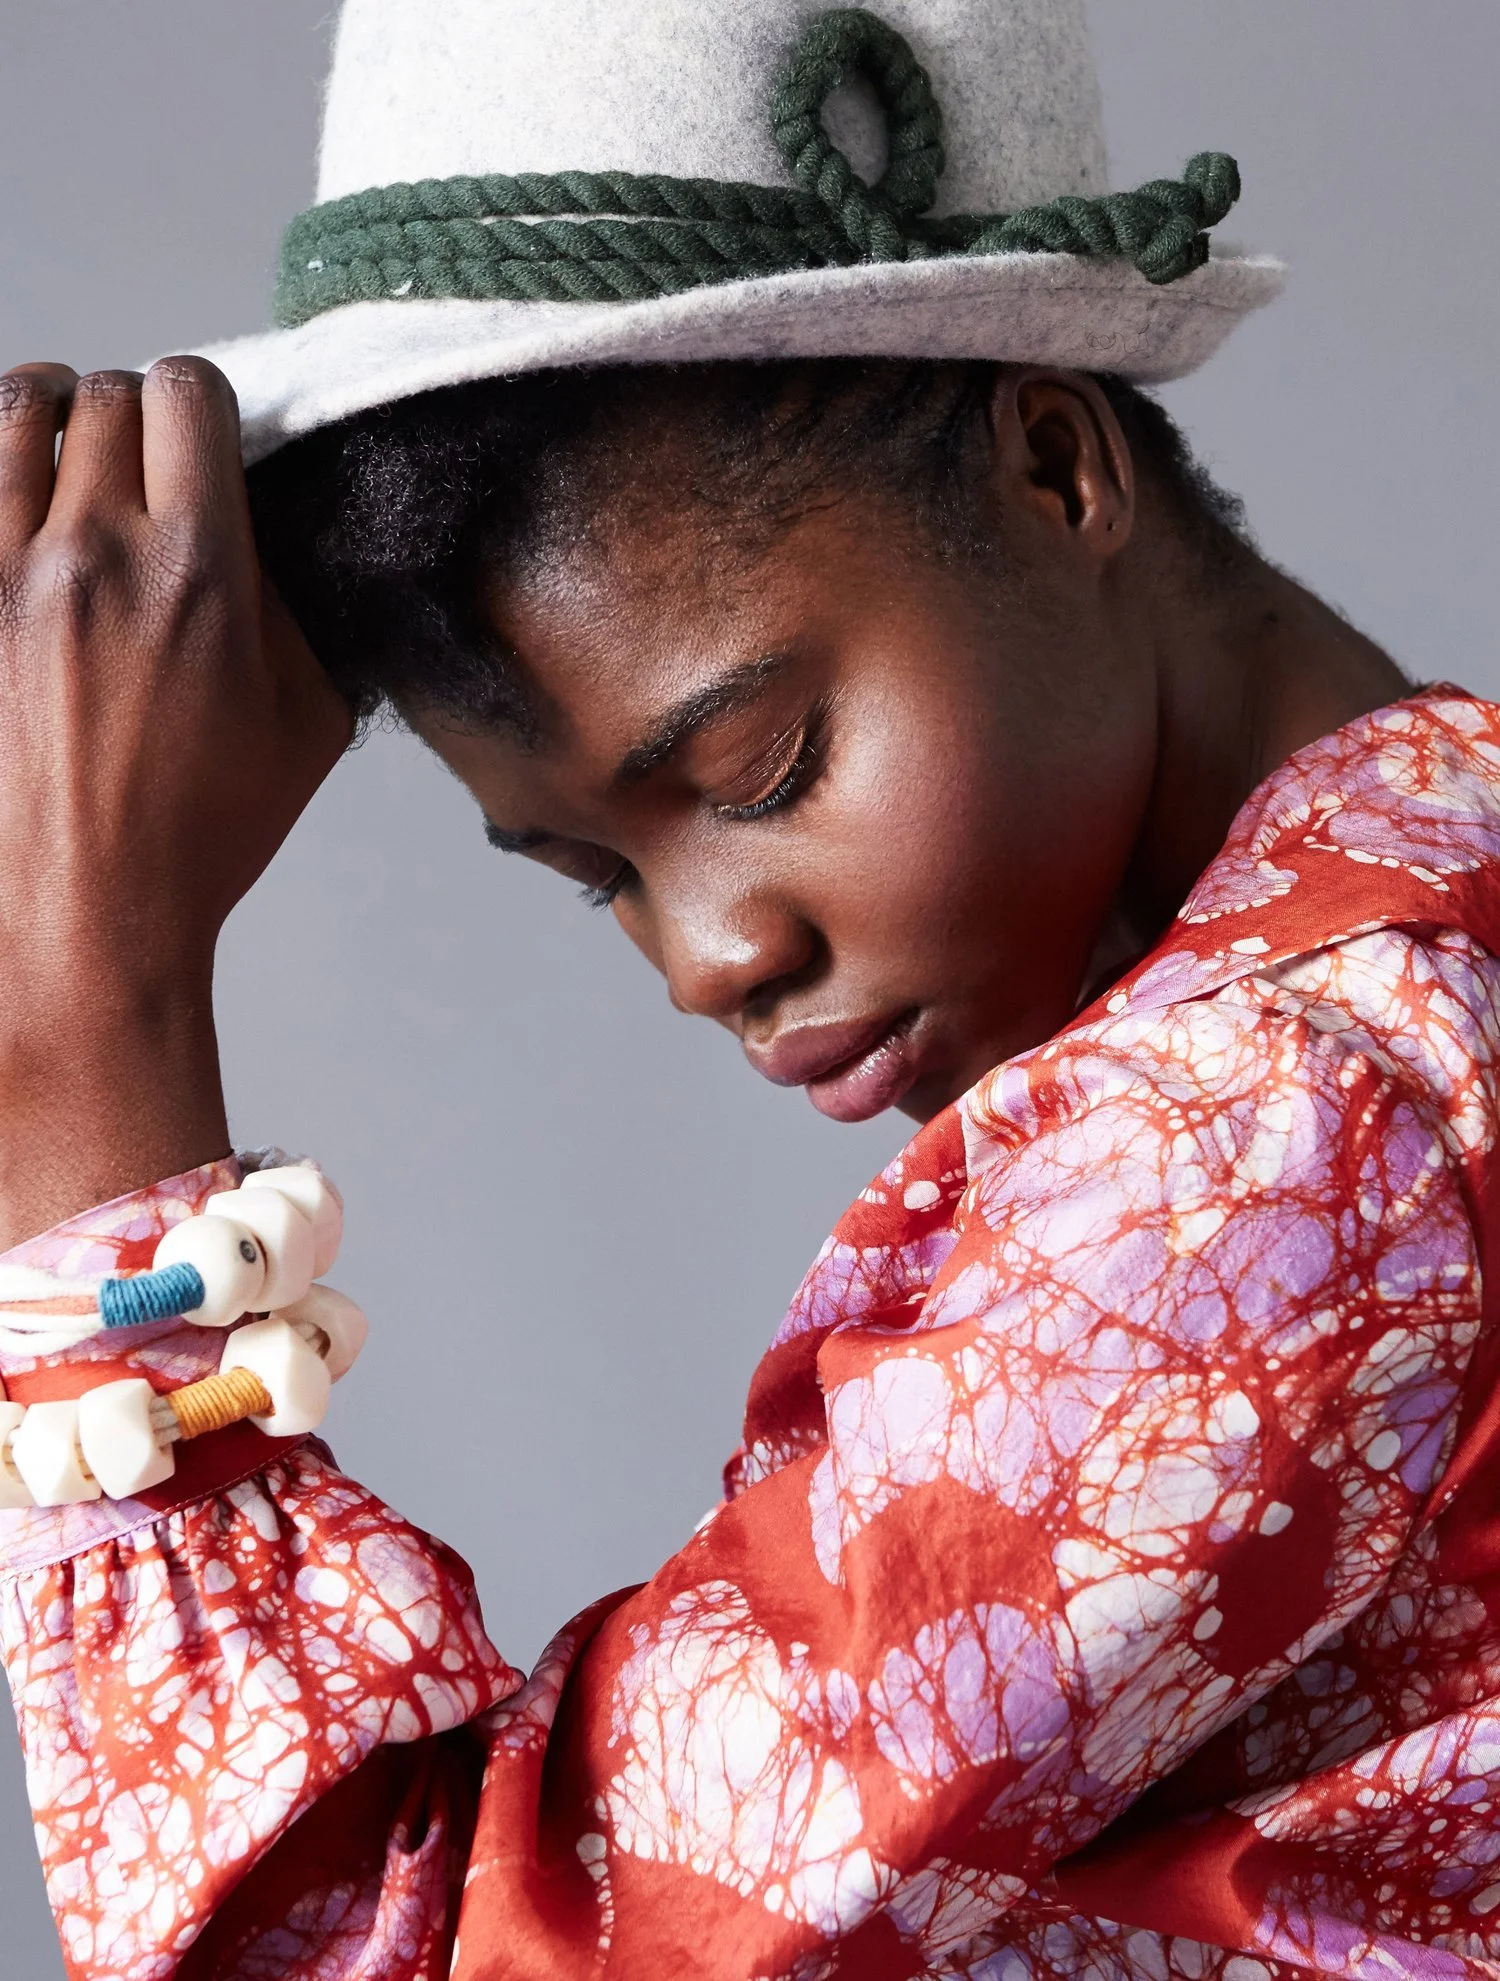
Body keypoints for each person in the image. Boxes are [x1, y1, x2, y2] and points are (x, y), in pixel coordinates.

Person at [1, 3, 1497, 1977]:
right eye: (598, 878)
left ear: (1057, 468)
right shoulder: (1437, 918)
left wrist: (79, 1022)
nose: (713, 959)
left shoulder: (1262, 1139)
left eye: (759, 769)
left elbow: (413, 1950)